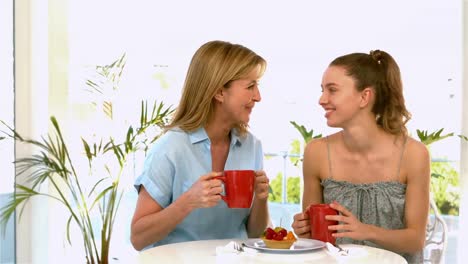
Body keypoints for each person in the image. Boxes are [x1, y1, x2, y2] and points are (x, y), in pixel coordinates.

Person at [291, 50, 430, 263]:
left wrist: (366, 231)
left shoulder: (413, 155)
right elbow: (317, 240)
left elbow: (416, 240)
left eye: (332, 90)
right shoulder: (316, 153)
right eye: (322, 90)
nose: (322, 99)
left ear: (364, 96)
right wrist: (305, 231)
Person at [130, 40, 270, 251]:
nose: (258, 97)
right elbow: (138, 238)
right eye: (250, 86)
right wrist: (187, 202)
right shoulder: (171, 148)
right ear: (219, 92)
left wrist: (261, 199)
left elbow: (255, 233)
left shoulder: (252, 146)